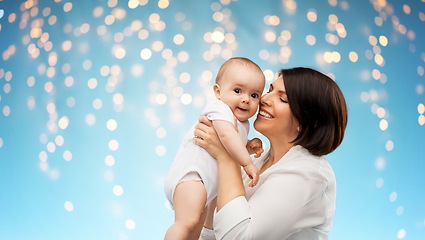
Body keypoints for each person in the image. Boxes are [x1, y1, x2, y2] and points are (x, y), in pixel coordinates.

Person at [193, 67, 348, 240]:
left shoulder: (309, 175)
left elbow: (238, 237)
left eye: (282, 99)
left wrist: (226, 156)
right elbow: (210, 234)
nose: (264, 99)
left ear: (308, 122)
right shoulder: (260, 160)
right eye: (269, 90)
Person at [163, 57, 266, 240]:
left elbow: (231, 144)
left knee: (195, 230)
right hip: (193, 176)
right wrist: (248, 163)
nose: (246, 100)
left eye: (254, 95)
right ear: (218, 92)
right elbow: (226, 136)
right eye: (237, 91)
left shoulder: (241, 122)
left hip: (205, 184)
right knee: (186, 223)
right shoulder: (219, 109)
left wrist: (249, 145)